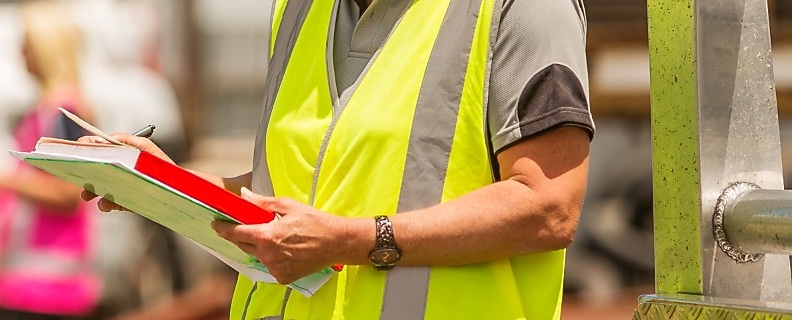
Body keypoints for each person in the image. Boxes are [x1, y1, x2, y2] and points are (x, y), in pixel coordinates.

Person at [83, 0, 593, 318]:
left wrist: (352, 241)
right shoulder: (298, 11)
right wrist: (161, 182)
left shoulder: (522, 7)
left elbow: (549, 207)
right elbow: (293, 191)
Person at [0, 1, 101, 319]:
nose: (20, 54)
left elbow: (69, 194)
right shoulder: (47, 111)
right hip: (30, 287)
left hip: (47, 291)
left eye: (25, 45)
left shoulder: (64, 112)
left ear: (45, 48)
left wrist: (1, 181)